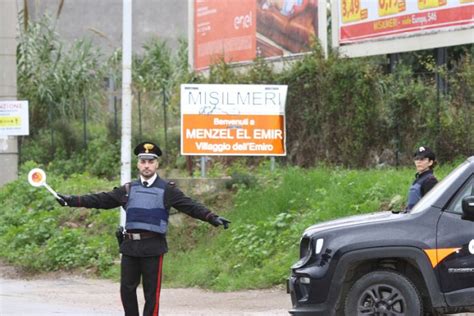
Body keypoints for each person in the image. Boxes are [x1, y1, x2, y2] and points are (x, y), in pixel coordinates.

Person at [55, 141, 230, 316]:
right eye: (143, 162)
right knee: (127, 291)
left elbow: (191, 206)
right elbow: (100, 199)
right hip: (130, 248)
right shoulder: (128, 189)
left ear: (157, 164)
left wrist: (212, 217)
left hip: (153, 247)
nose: (147, 166)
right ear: (138, 164)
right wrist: (72, 200)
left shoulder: (168, 190)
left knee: (151, 294)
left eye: (151, 161)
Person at [405, 146, 438, 211]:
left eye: (422, 159)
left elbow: (430, 207)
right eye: (417, 159)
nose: (418, 162)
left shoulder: (430, 181)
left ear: (430, 162)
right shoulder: (420, 178)